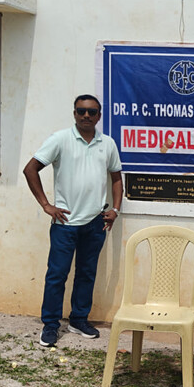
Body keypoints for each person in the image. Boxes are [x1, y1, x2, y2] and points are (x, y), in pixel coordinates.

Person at [23, 94, 123, 347]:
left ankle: (79, 320)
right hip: (65, 224)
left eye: (91, 112)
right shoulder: (60, 139)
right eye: (81, 111)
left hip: (95, 222)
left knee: (86, 274)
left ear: (99, 115)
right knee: (57, 274)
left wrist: (116, 209)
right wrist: (46, 205)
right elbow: (30, 169)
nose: (86, 116)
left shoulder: (108, 143)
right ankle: (51, 325)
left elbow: (117, 178)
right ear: (75, 113)